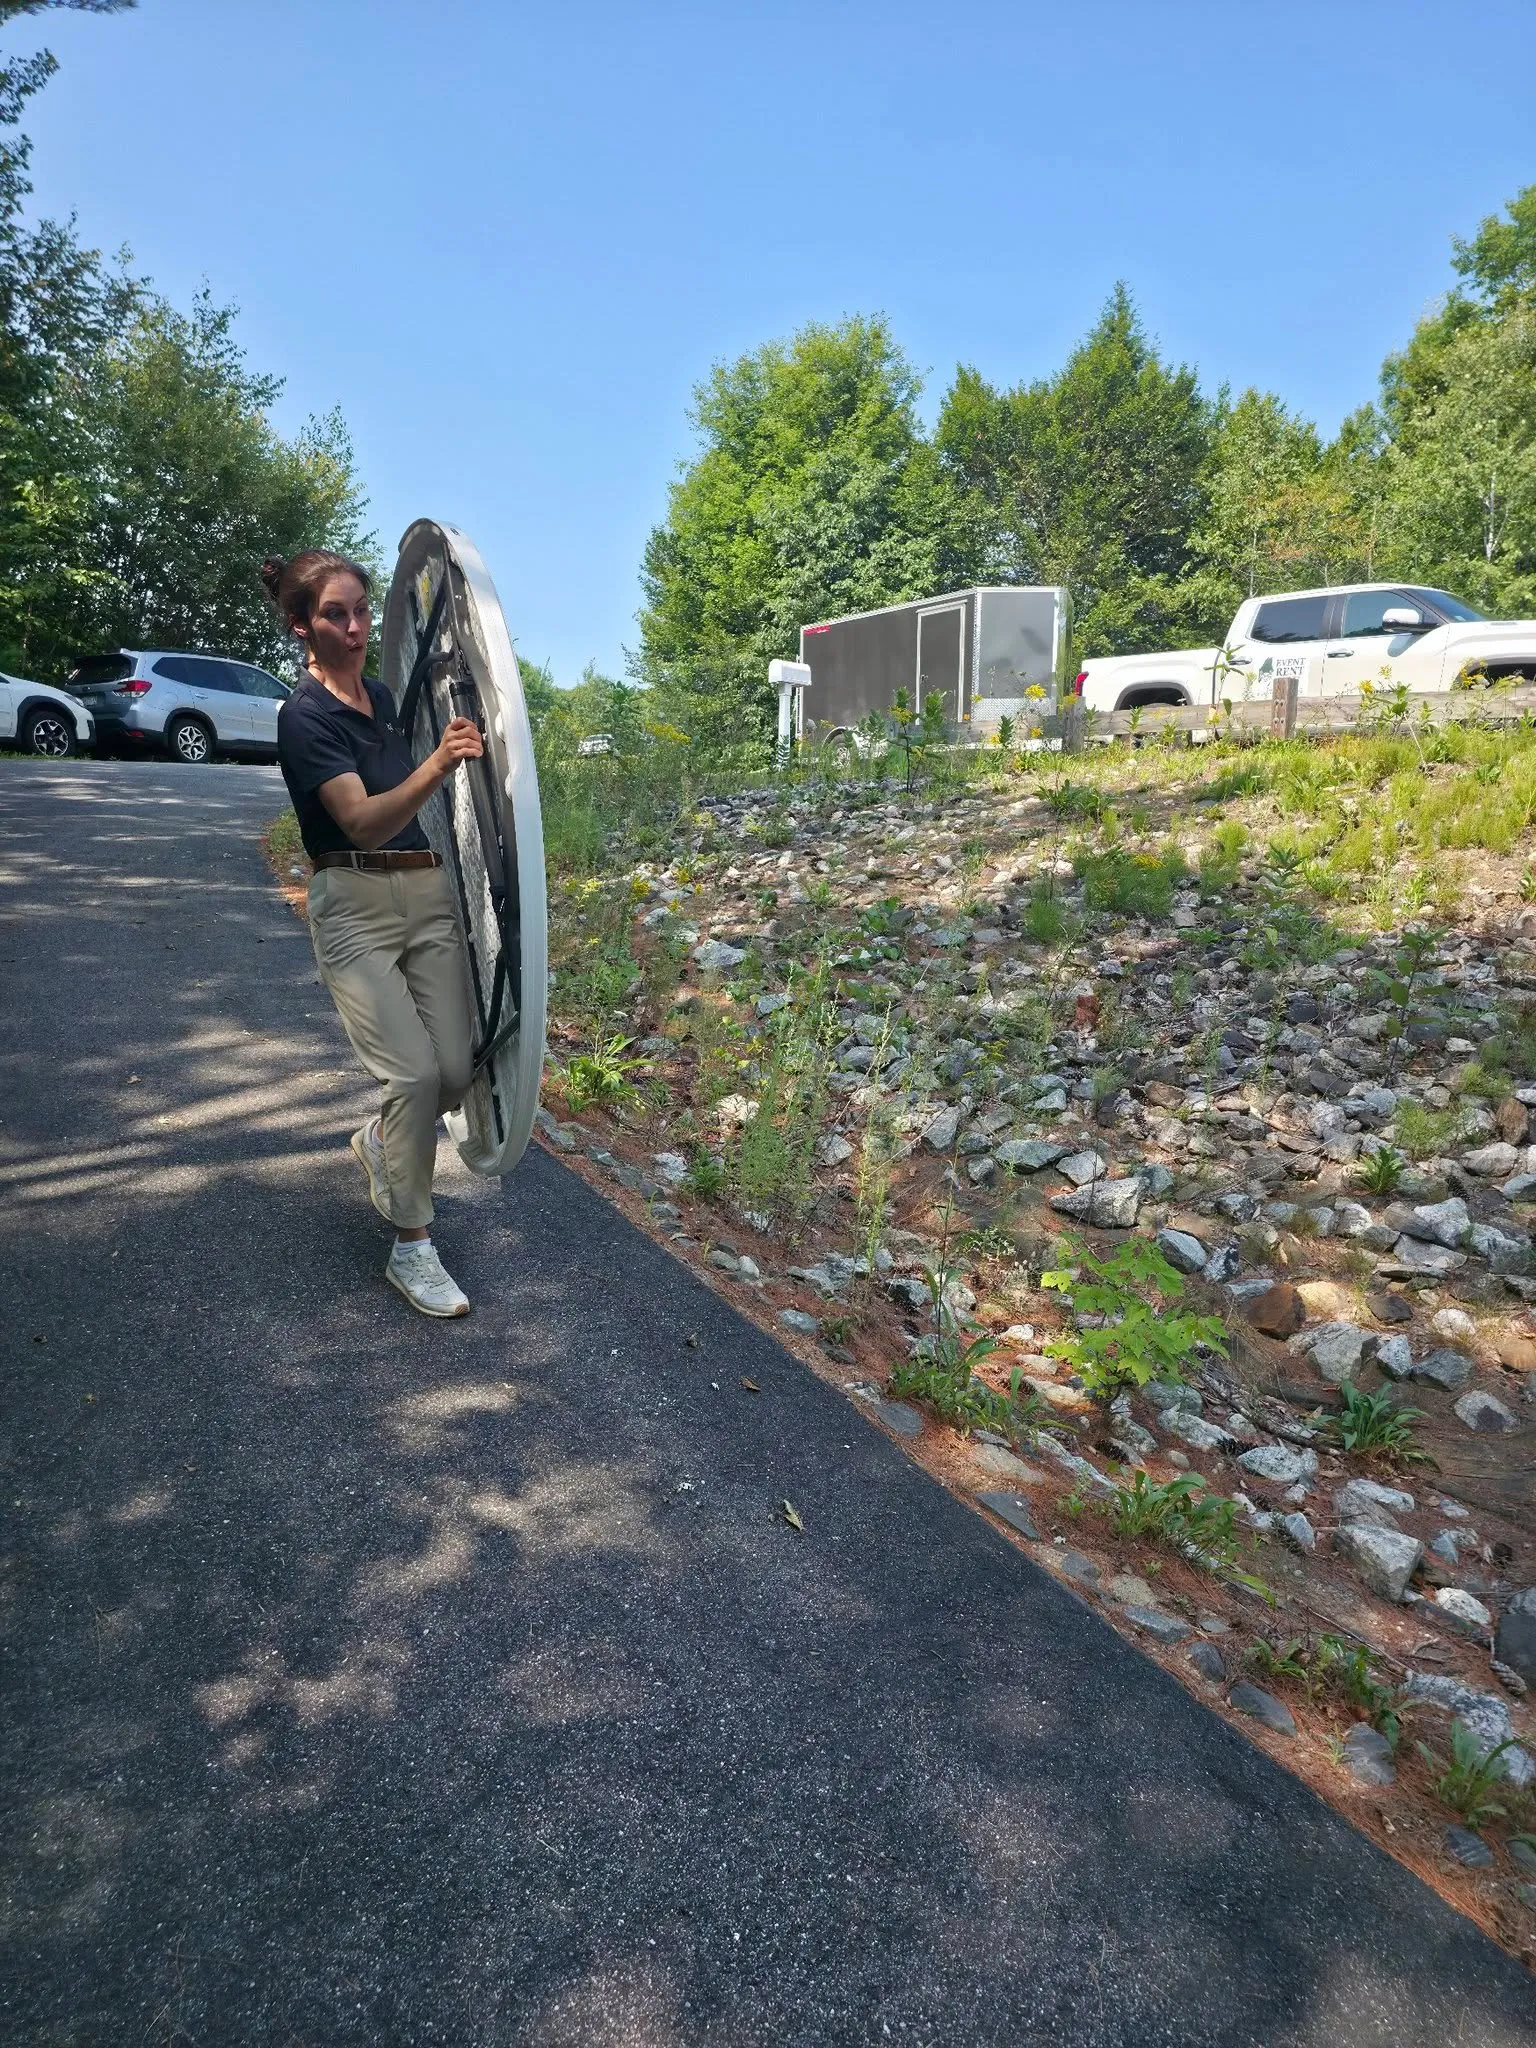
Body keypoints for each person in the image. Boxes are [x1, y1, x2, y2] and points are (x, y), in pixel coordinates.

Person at [266, 548, 483, 1317]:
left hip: (421, 890)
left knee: (456, 1069)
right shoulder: (304, 717)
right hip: (353, 901)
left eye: (360, 610)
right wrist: (440, 764)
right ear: (302, 626)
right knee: (413, 1077)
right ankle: (413, 1248)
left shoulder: (383, 696)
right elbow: (359, 815)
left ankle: (378, 1143)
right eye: (334, 615)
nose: (355, 628)